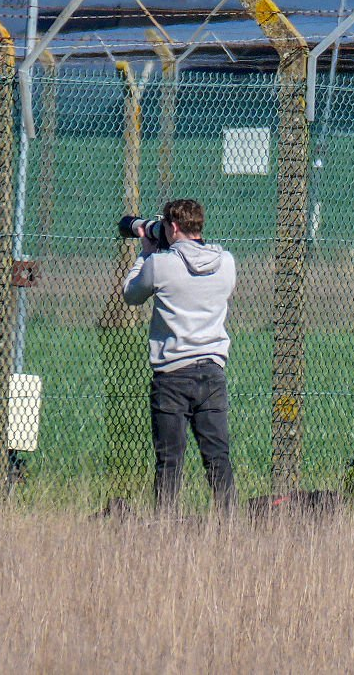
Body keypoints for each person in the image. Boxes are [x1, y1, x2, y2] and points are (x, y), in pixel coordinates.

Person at [121, 197, 238, 513]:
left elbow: (131, 294)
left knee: (170, 460)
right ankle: (231, 524)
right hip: (212, 370)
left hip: (172, 374)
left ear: (172, 227)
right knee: (217, 457)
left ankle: (165, 528)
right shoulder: (226, 261)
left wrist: (145, 253)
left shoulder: (160, 265)